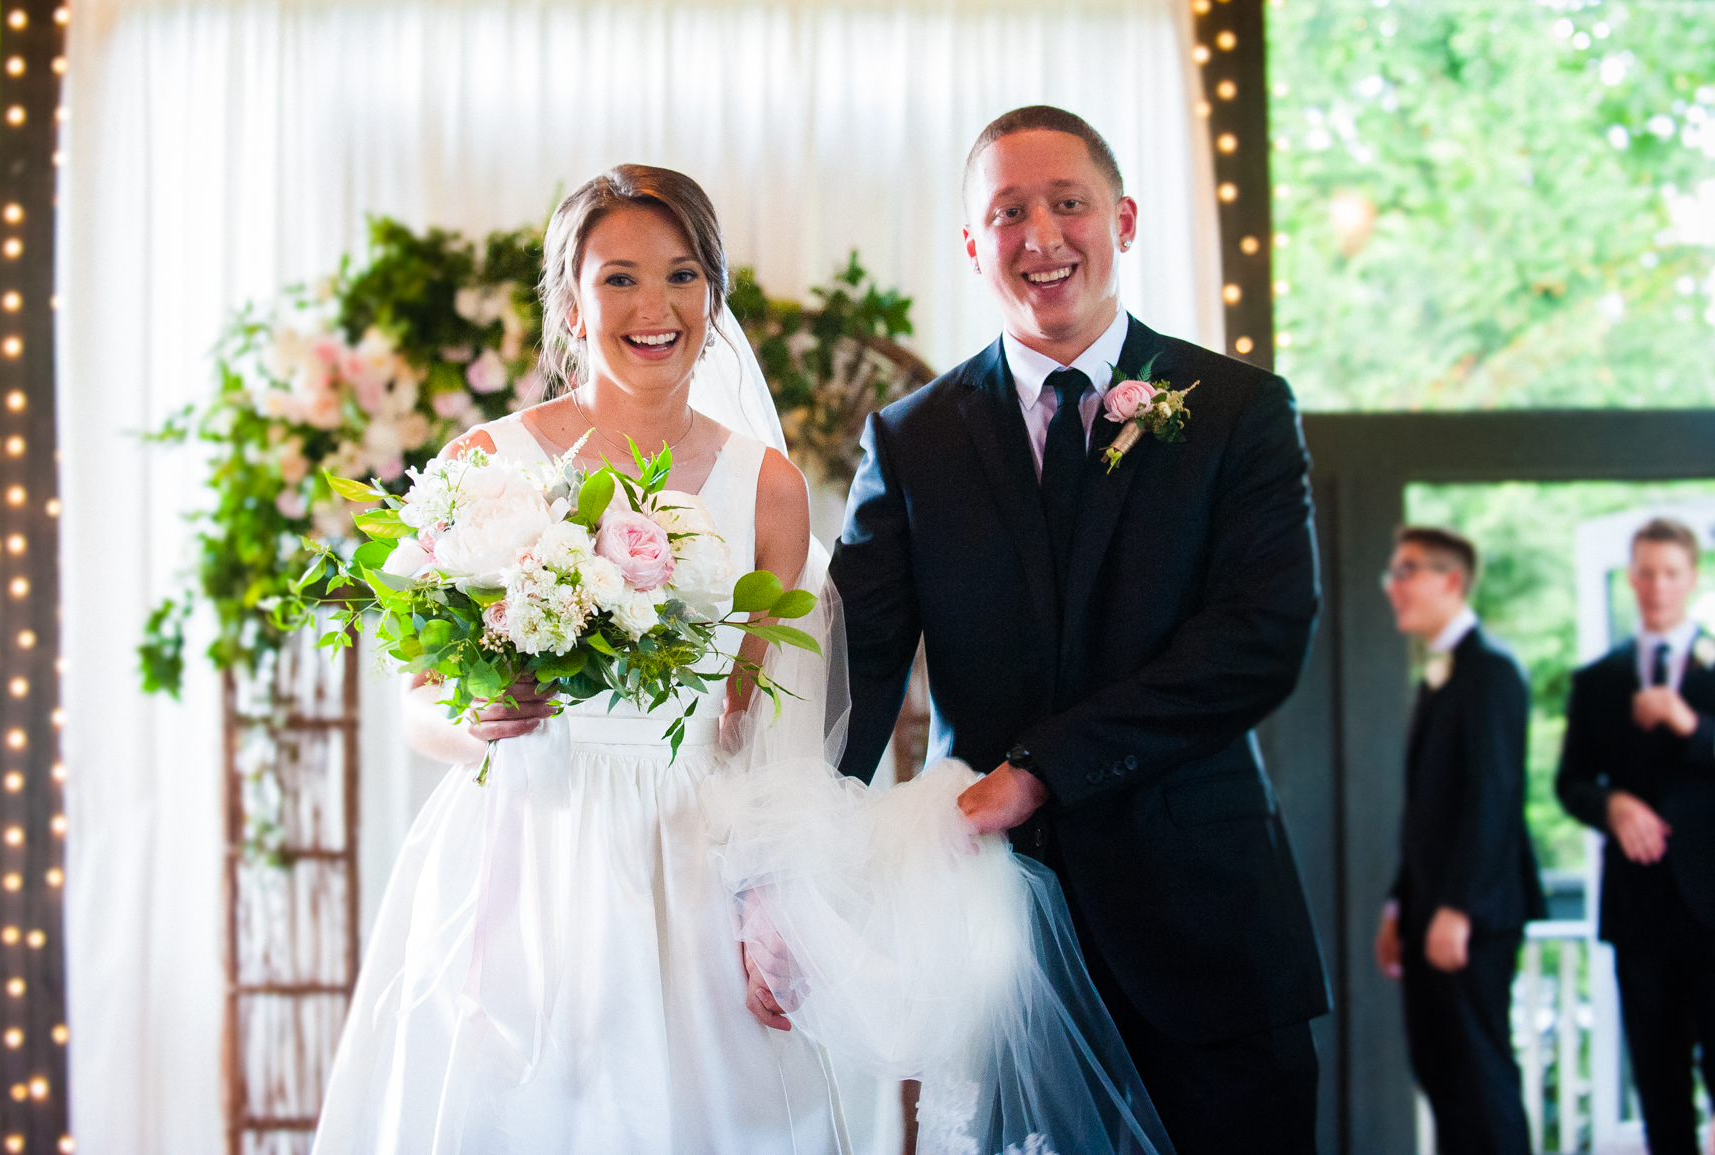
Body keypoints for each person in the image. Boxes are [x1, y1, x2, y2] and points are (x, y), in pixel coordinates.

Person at [313, 165, 1171, 1155]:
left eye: (681, 276)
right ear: (568, 295)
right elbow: (417, 703)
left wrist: (770, 905)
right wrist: (472, 722)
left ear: (711, 294)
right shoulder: (484, 463)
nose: (653, 307)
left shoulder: (762, 485)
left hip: (690, 857)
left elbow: (767, 730)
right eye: (618, 278)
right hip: (526, 855)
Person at [831, 105, 1331, 1155]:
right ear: (973, 243)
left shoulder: (1235, 406)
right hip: (998, 938)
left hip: (1204, 925)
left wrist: (1038, 766)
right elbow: (855, 671)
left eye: (1067, 203)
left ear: (1124, 218)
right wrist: (788, 867)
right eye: (1007, 212)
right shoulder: (912, 436)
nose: (1040, 236)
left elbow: (1260, 634)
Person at [1373, 527, 1543, 1155]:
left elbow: (1492, 802)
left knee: (1480, 1077)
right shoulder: (1441, 675)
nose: (1393, 586)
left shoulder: (1493, 672)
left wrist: (1456, 910)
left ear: (1450, 580)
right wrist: (1400, 905)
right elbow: (1429, 812)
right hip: (1427, 911)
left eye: (1407, 571)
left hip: (1470, 915)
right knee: (1441, 1074)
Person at [1556, 516, 1715, 1155]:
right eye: (1645, 572)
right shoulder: (1599, 680)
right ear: (1630, 578)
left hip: (1714, 909)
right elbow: (1570, 783)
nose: (1656, 586)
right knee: (1657, 1078)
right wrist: (1611, 804)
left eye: (1670, 572)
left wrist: (1691, 724)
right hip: (1639, 908)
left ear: (1692, 578)